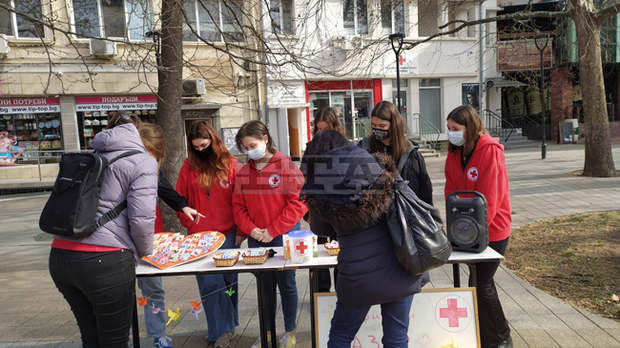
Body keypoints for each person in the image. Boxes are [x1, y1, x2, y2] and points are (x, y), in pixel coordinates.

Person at [301, 130, 427, 348]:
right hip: (402, 266)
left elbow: (319, 229)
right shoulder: (376, 164)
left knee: (341, 335)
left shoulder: (322, 181)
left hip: (359, 277)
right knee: (396, 338)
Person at [48, 119, 158, 347]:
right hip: (106, 262)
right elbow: (142, 219)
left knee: (91, 338)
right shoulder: (143, 162)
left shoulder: (90, 157)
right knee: (114, 341)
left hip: (61, 256)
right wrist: (146, 251)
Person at [232, 120, 307, 348]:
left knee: (288, 284)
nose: (248, 151)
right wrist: (251, 229)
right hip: (256, 238)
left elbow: (298, 204)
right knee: (265, 287)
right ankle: (266, 331)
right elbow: (237, 206)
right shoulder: (244, 173)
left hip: (284, 236)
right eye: (244, 148)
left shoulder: (285, 166)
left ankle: (290, 330)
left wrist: (272, 230)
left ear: (265, 139)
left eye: (252, 145)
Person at [444, 105, 513, 348]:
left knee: (482, 284)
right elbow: (450, 190)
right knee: (477, 283)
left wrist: (478, 231)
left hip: (492, 230)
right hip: (464, 230)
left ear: (470, 127)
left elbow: (490, 197)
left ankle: (501, 337)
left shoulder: (489, 152)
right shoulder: (455, 153)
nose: (451, 133)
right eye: (449, 128)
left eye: (456, 129)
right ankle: (485, 336)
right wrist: (455, 225)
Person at [134, 122, 204, 348]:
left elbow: (166, 190)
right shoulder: (118, 169)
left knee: (153, 288)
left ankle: (158, 335)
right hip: (120, 241)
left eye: (154, 157)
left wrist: (183, 206)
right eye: (145, 154)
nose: (149, 162)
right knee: (119, 292)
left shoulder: (153, 168)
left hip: (150, 238)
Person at [176, 120, 241, 348]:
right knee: (209, 284)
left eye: (204, 145)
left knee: (228, 283)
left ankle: (228, 326)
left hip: (227, 233)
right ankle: (220, 330)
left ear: (213, 141)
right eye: (196, 147)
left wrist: (241, 230)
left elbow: (240, 200)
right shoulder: (188, 166)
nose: (200, 150)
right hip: (199, 236)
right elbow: (179, 199)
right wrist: (188, 221)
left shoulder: (231, 164)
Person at [358, 100, 433, 206]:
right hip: (375, 218)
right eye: (374, 125)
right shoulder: (364, 149)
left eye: (382, 126)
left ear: (394, 125)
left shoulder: (412, 155)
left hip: (405, 217)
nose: (376, 129)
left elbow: (425, 192)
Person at [309, 106, 346, 292]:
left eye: (326, 129)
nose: (322, 133)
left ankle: (342, 294)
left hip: (342, 214)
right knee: (319, 260)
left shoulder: (345, 148)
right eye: (319, 129)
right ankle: (320, 296)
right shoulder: (311, 149)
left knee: (342, 259)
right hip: (319, 212)